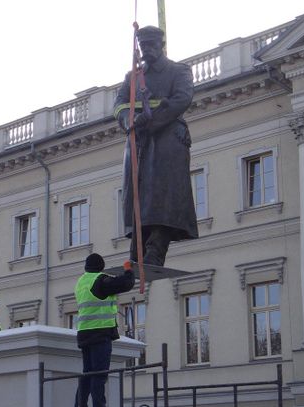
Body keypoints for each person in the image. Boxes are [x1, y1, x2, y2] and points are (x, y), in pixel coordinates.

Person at [114, 26, 198, 267]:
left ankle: (156, 249)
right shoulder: (133, 77)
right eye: (143, 47)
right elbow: (119, 104)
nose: (147, 51)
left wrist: (150, 120)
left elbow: (182, 99)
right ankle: (137, 250)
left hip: (167, 138)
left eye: (151, 45)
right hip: (138, 139)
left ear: (161, 45)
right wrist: (128, 120)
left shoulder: (178, 71)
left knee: (162, 196)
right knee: (137, 196)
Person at [74, 253, 135, 407]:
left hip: (84, 333)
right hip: (99, 334)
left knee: (87, 373)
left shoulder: (81, 282)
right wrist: (128, 270)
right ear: (101, 267)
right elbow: (126, 283)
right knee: (99, 374)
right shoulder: (100, 280)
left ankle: (79, 404)